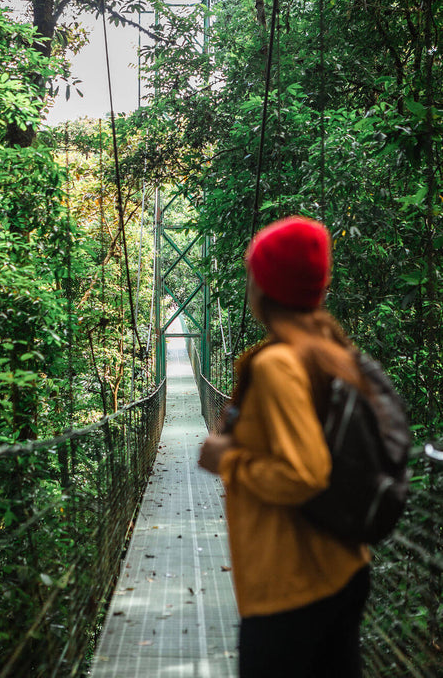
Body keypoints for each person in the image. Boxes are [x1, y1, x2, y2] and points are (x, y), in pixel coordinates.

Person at [198, 216, 371, 678]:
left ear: (264, 286)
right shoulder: (331, 348)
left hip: (290, 582)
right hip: (339, 564)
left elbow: (305, 473)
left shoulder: (277, 364)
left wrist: (227, 459)